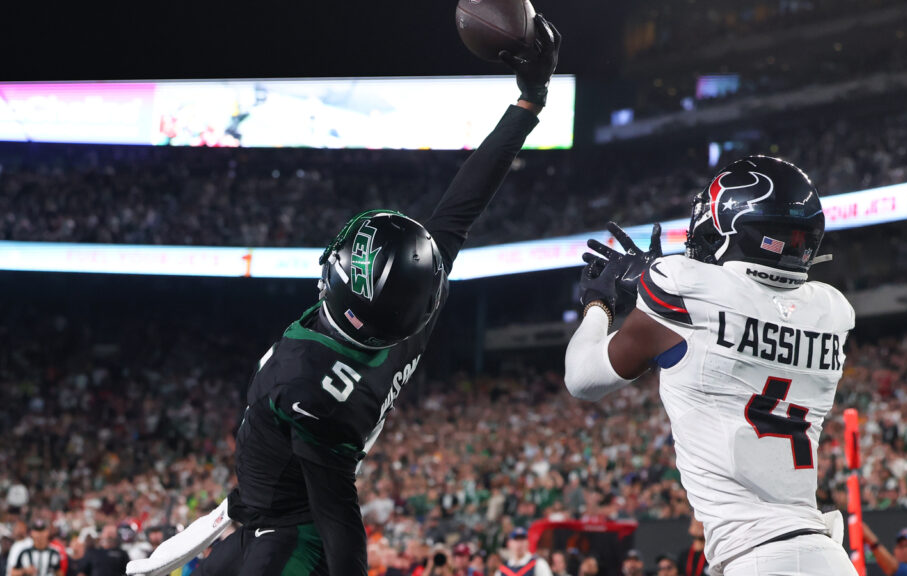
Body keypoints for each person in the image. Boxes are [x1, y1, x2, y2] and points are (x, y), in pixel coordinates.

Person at [130, 16, 561, 576]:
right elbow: (465, 201)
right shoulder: (413, 308)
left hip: (289, 530)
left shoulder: (308, 382)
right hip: (262, 510)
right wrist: (530, 102)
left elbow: (339, 523)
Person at [564, 156, 857, 576]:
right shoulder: (832, 311)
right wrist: (649, 281)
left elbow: (581, 379)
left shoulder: (682, 285)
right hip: (828, 559)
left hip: (757, 557)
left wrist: (600, 304)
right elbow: (750, 308)